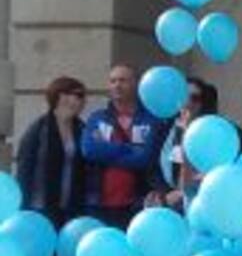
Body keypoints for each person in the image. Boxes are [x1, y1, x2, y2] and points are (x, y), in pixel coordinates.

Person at [81, 62, 165, 227]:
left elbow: (145, 158)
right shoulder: (98, 117)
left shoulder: (151, 119)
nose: (117, 85)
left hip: (137, 203)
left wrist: (105, 149)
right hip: (99, 203)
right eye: (113, 81)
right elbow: (89, 150)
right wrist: (128, 149)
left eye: (123, 80)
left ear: (136, 84)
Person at [15, 76, 88, 226]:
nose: (82, 101)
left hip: (70, 207)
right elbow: (24, 170)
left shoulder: (81, 128)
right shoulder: (39, 129)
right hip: (40, 206)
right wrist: (22, 207)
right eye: (78, 95)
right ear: (62, 96)